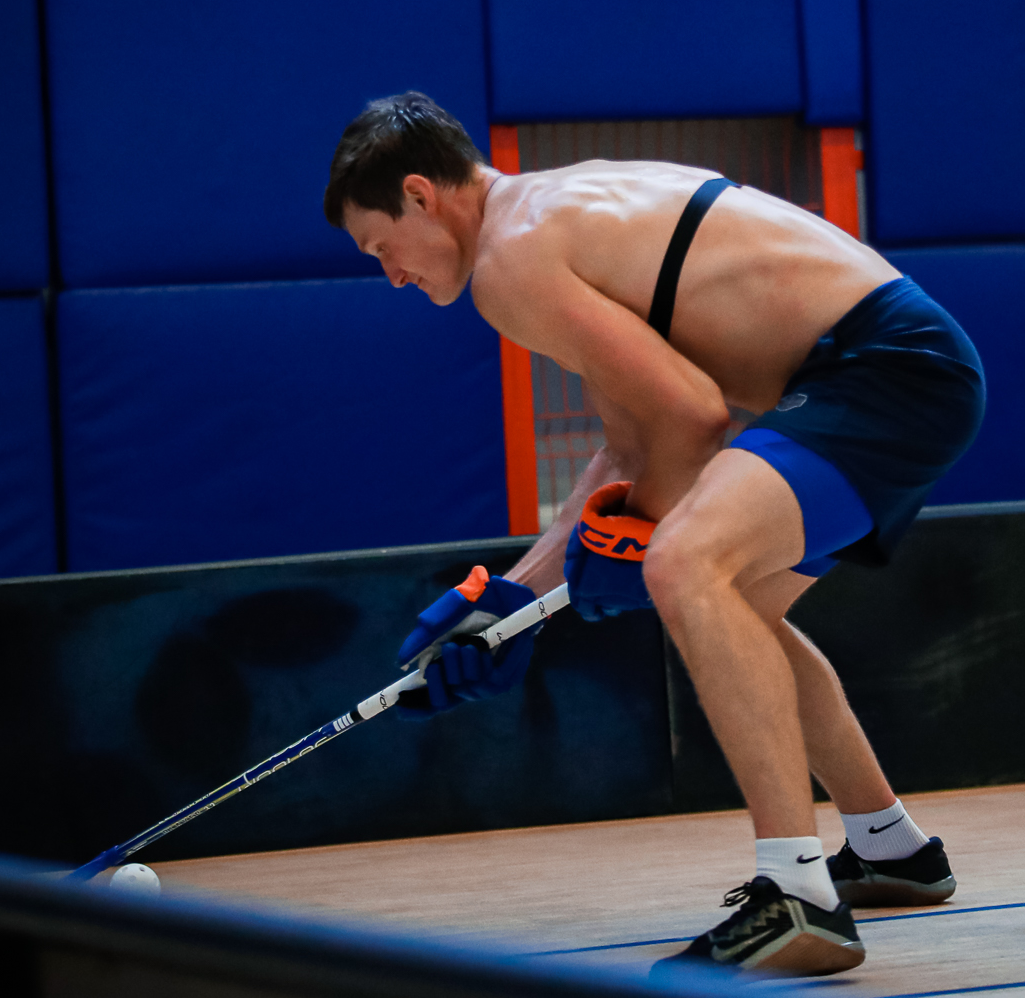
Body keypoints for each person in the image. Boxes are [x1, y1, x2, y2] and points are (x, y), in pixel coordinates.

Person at [322, 93, 986, 976]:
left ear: (419, 194)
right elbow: (631, 447)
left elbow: (692, 414)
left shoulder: (509, 260)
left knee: (685, 567)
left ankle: (798, 898)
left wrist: (639, 545)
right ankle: (890, 846)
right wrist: (510, 602)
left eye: (382, 248)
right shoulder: (542, 220)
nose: (393, 276)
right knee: (737, 605)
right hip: (890, 372)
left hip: (881, 375)